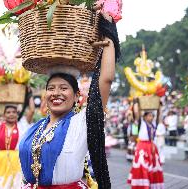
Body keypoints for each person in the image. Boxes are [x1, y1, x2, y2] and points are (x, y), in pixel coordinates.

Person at [19, 5, 120, 187]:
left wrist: (108, 31)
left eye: (63, 88)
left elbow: (106, 79)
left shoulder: (82, 122)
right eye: (51, 88)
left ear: (76, 95)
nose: (56, 93)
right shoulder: (37, 127)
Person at [127, 112, 164, 188]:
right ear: (145, 117)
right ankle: (142, 185)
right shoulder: (141, 123)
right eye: (149, 116)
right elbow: (137, 113)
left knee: (153, 167)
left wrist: (159, 105)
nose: (151, 117)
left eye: (152, 116)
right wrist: (136, 101)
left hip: (152, 147)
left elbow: (159, 113)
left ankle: (150, 183)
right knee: (143, 167)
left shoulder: (153, 124)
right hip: (142, 147)